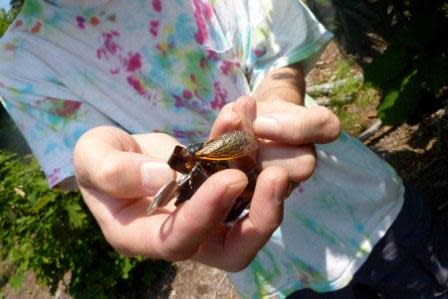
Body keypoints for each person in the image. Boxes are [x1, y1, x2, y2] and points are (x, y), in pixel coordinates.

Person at [0, 0, 447, 298]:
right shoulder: (19, 63)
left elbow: (278, 56)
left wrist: (278, 97)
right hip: (275, 273)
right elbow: (96, 156)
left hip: (369, 208)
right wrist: (105, 171)